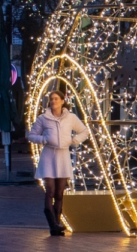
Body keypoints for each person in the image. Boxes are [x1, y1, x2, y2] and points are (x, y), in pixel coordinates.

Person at [27, 90, 90, 236]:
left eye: (56, 99)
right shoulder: (44, 118)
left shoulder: (71, 117)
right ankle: (52, 224)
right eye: (51, 99)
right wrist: (43, 140)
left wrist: (74, 141)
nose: (53, 101)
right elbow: (31, 135)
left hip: (63, 157)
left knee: (60, 193)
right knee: (50, 190)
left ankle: (57, 223)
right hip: (49, 156)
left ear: (62, 101)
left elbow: (84, 131)